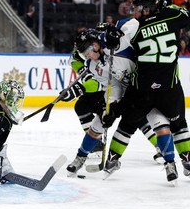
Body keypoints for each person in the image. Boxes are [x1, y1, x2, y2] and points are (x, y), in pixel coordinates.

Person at [103, 0, 190, 183]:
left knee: (127, 124)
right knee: (179, 124)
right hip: (169, 88)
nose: (134, 11)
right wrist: (169, 5)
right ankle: (187, 159)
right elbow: (186, 15)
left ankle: (112, 159)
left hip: (142, 90)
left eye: (137, 8)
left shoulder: (134, 25)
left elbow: (114, 44)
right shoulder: (172, 16)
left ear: (147, 9)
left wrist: (108, 37)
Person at [63, 27, 163, 176]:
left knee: (146, 117)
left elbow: (134, 24)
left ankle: (164, 150)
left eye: (87, 51)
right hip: (121, 89)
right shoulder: (92, 64)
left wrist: (117, 28)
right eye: (84, 53)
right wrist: (110, 104)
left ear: (95, 45)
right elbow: (110, 84)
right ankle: (80, 157)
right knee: (100, 120)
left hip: (141, 87)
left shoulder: (117, 46)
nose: (87, 55)